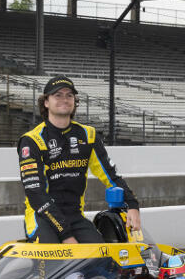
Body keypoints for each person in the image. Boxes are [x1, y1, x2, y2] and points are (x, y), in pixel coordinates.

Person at [18, 75, 141, 244]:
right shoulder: (32, 140)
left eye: (69, 95)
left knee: (101, 260)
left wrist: (132, 205)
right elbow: (36, 194)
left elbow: (111, 176)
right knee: (56, 261)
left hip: (75, 217)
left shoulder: (87, 135)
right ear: (46, 102)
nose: (64, 99)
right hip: (42, 218)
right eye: (58, 95)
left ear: (75, 101)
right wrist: (65, 235)